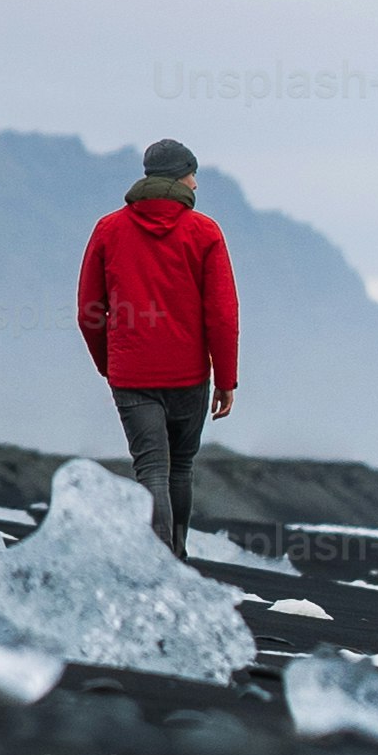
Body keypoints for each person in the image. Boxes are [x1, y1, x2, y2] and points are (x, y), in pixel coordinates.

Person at [75, 137, 239, 556]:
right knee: (180, 468)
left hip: (132, 375)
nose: (196, 185)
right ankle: (175, 557)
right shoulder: (205, 233)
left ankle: (160, 561)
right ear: (182, 177)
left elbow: (89, 310)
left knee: (151, 469)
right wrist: (226, 379)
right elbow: (221, 314)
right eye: (193, 175)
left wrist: (108, 364)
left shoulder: (108, 229)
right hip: (188, 376)